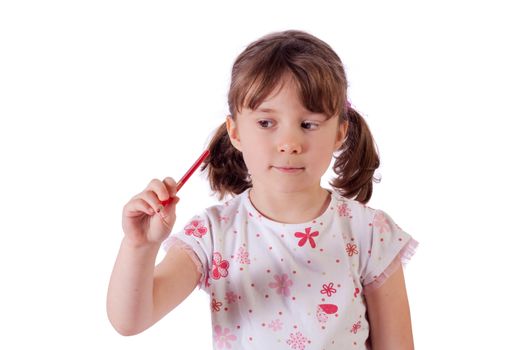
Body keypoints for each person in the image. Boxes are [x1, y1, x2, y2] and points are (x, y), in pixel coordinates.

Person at [107, 30, 418, 350]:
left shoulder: (368, 233)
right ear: (235, 131)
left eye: (308, 124)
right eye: (266, 123)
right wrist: (140, 246)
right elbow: (130, 321)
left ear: (340, 132)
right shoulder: (213, 233)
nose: (289, 144)